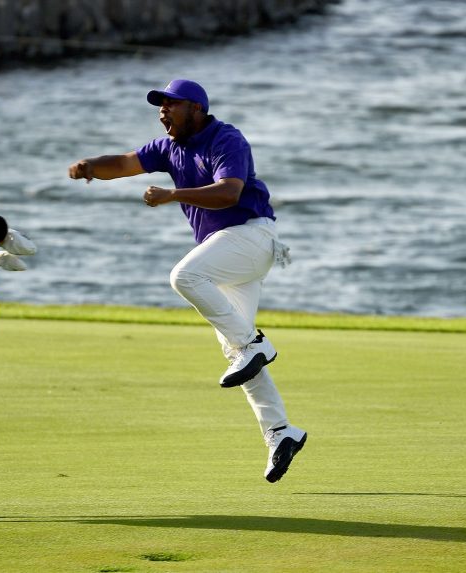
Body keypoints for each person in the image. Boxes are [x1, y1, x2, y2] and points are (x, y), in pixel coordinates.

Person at [67, 79, 307, 483]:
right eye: (159, 106)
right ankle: (281, 432)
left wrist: (172, 195)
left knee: (185, 276)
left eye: (171, 105)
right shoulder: (167, 147)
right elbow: (125, 163)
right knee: (237, 354)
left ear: (196, 108)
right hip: (227, 250)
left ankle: (256, 344)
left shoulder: (226, 138)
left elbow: (230, 193)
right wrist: (91, 166)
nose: (162, 111)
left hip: (251, 235)